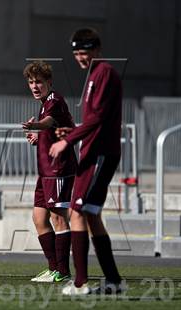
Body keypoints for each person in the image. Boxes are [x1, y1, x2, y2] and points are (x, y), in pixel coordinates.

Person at [49, 28, 124, 295]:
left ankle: (80, 282)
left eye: (85, 51)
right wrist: (71, 132)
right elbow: (93, 121)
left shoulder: (104, 73)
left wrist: (66, 141)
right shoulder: (93, 75)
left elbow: (98, 119)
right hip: (92, 153)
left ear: (97, 50)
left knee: (78, 212)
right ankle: (113, 281)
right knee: (90, 215)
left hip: (101, 155)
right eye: (77, 52)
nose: (80, 57)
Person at [22, 61, 76, 283]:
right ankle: (53, 267)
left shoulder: (54, 101)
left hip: (59, 170)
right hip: (45, 172)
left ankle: (62, 271)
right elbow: (53, 129)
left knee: (57, 218)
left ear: (49, 83)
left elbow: (48, 122)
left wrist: (36, 128)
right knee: (38, 217)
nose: (35, 86)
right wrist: (39, 138)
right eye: (31, 82)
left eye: (39, 82)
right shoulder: (44, 102)